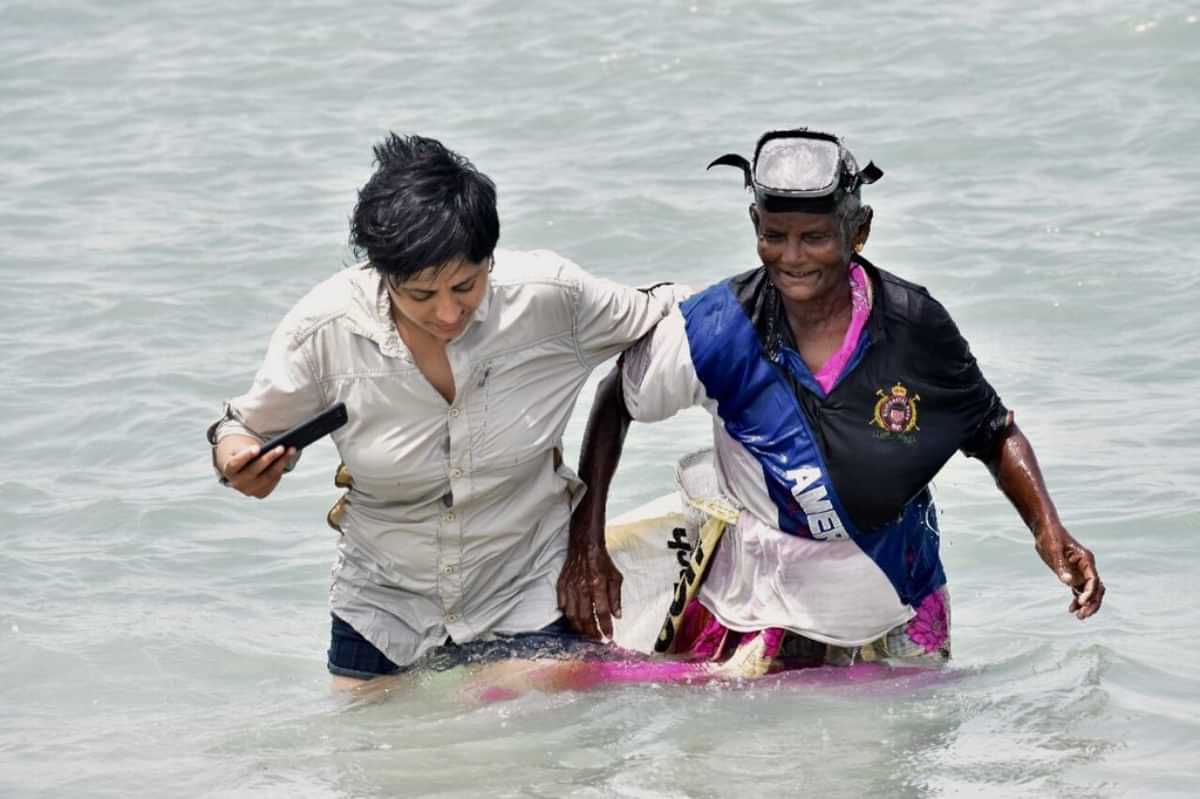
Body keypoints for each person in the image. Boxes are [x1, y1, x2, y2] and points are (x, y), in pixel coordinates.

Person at [559, 128, 1104, 676]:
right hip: (759, 603)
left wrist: (1046, 530)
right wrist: (587, 537)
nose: (792, 258)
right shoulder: (718, 328)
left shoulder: (913, 326)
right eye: (775, 236)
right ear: (755, 226)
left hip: (892, 597)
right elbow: (617, 398)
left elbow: (991, 431)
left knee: (888, 751)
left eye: (815, 238)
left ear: (858, 231)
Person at [207, 133, 681, 688]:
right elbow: (240, 428)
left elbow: (675, 316)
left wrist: (590, 533)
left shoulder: (550, 298)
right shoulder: (323, 329)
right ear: (380, 275)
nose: (449, 313)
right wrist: (237, 464)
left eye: (466, 285)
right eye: (420, 295)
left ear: (490, 259)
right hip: (384, 605)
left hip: (524, 585)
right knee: (382, 763)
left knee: (534, 747)